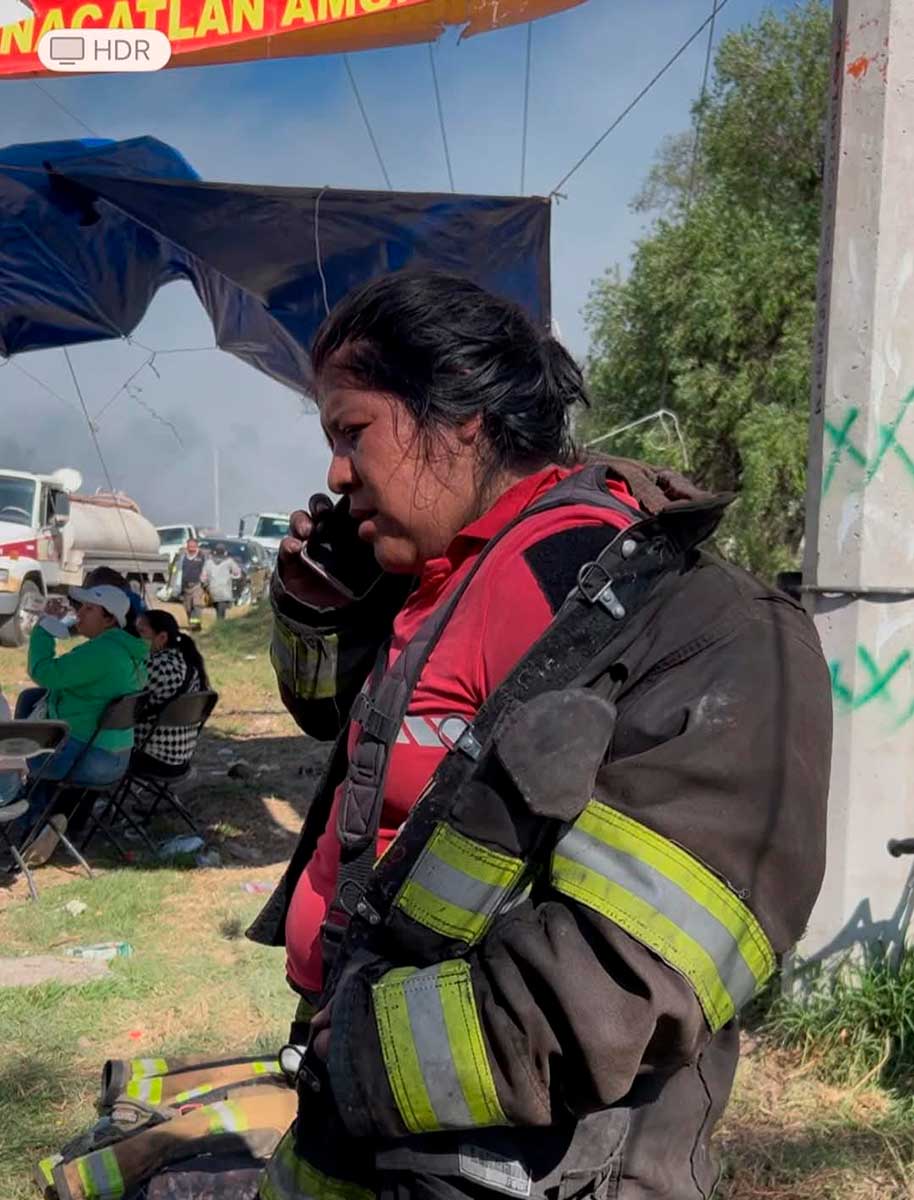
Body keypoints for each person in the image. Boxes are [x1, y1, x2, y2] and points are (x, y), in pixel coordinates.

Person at [249, 272, 832, 1200]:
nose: (334, 472)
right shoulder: (435, 572)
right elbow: (345, 732)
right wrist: (320, 611)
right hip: (363, 1115)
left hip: (517, 1160)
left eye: (351, 432)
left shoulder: (682, 617)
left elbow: (630, 974)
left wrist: (361, 1052)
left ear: (462, 415)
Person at [10, 584, 148, 861]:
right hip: (116, 755)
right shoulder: (129, 650)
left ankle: (29, 828)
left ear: (110, 619)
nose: (79, 614)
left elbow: (44, 672)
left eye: (88, 609)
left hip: (87, 758)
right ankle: (45, 824)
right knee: (33, 705)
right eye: (80, 607)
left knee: (19, 756)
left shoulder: (102, 653)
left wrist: (44, 628)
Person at [133, 610, 209, 774]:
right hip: (180, 759)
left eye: (141, 632)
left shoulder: (155, 666)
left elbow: (118, 698)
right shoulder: (187, 663)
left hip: (151, 757)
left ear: (161, 637)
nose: (134, 637)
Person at [171, 539, 207, 631]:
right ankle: (192, 622)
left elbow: (206, 570)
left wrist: (205, 582)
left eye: (193, 546)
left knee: (196, 604)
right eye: (189, 546)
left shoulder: (202, 557)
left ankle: (195, 626)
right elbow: (176, 571)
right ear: (187, 546)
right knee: (188, 607)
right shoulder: (183, 557)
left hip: (197, 585)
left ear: (196, 546)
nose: (191, 548)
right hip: (185, 587)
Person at [201, 543, 241, 620]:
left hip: (213, 589)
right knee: (223, 612)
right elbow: (237, 573)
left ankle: (219, 623)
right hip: (225, 589)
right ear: (225, 552)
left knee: (217, 608)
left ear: (215, 552)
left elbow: (203, 577)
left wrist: (205, 584)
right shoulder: (229, 562)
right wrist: (232, 577)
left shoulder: (209, 562)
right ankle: (220, 624)